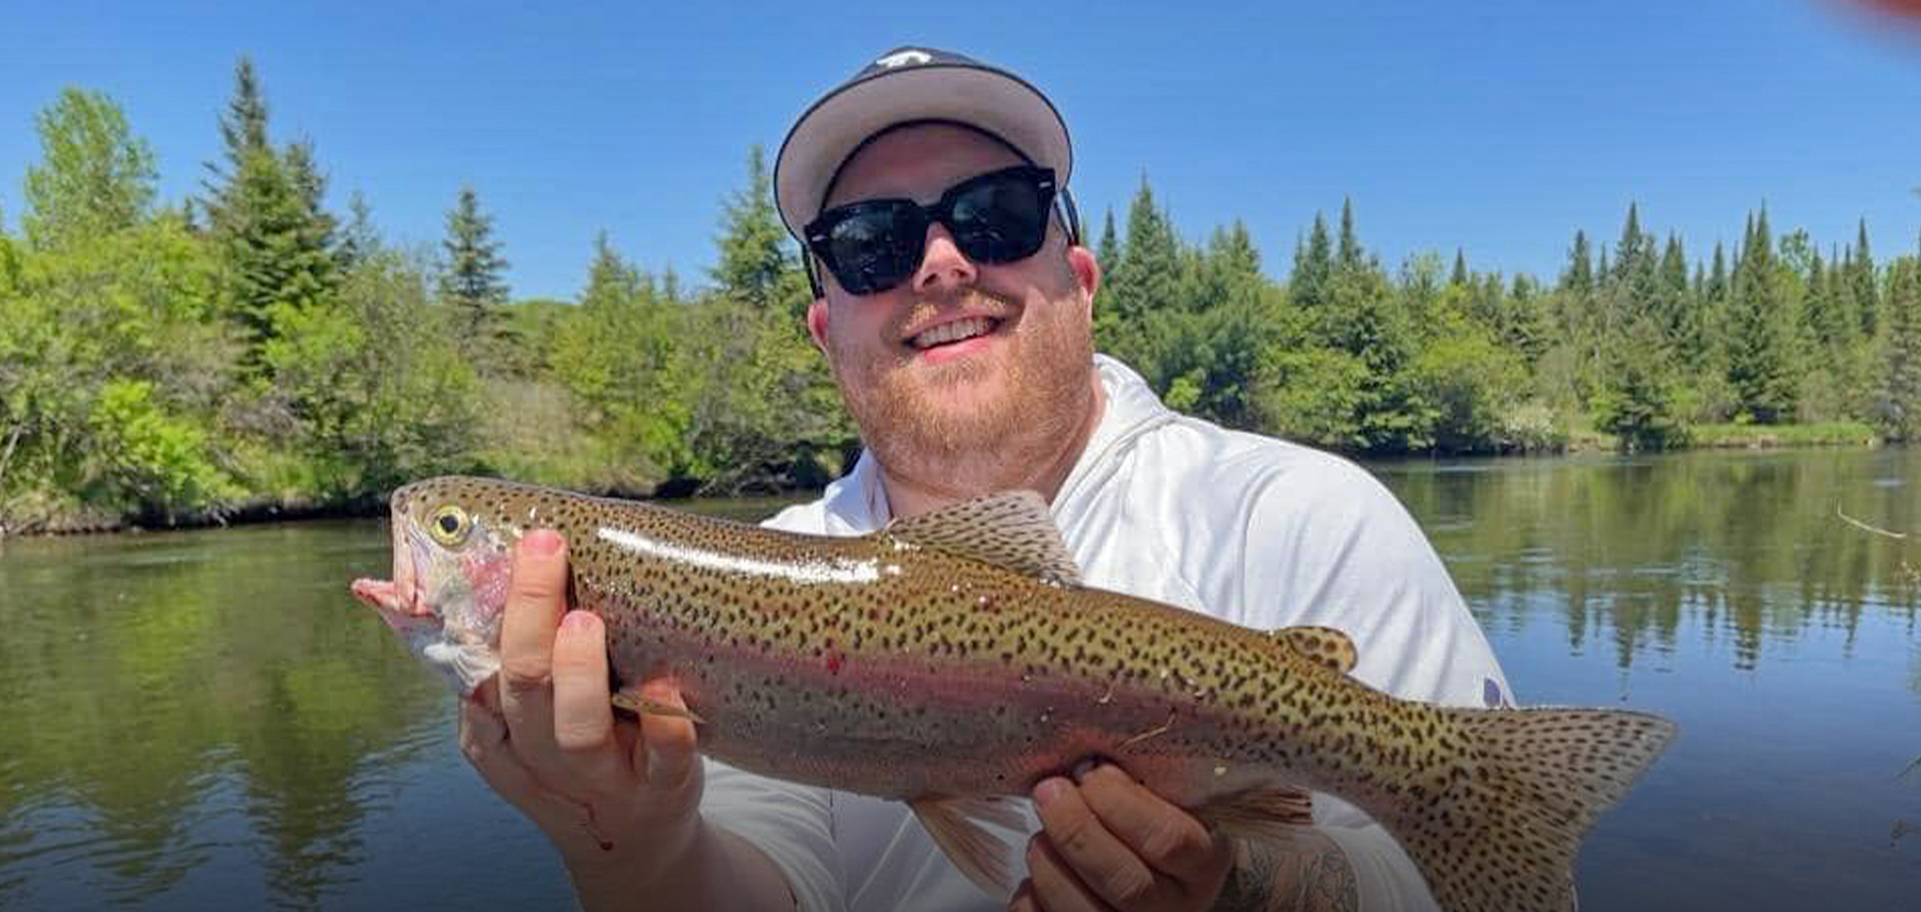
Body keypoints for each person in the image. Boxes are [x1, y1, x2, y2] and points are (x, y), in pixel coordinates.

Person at [456, 47, 1512, 912]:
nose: (943, 262)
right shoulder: (756, 584)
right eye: (871, 243)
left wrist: (1249, 889)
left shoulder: (1297, 518)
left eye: (998, 213)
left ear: (1081, 282)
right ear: (827, 333)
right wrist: (631, 848)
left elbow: (1464, 881)